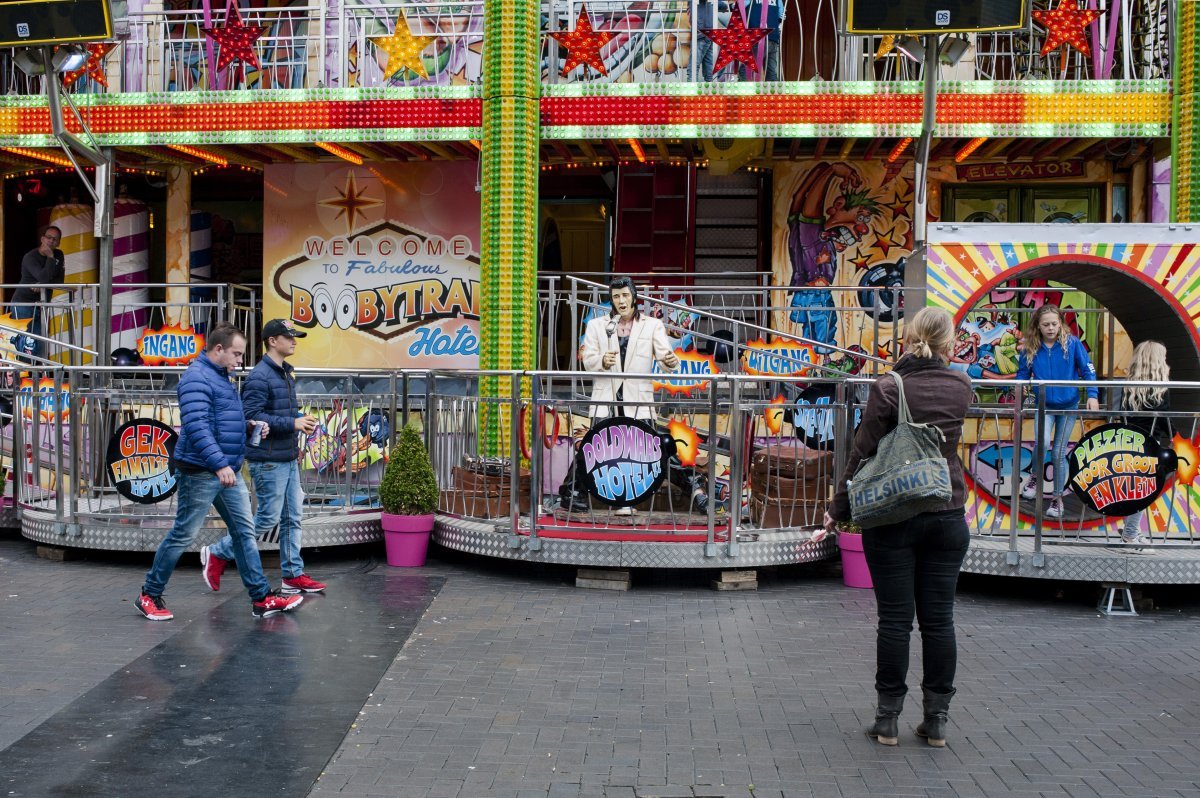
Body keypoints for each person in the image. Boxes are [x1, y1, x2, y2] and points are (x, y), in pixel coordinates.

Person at [822, 306, 974, 748]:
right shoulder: (962, 385)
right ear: (948, 342)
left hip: (893, 518)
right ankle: (937, 721)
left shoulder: (889, 386)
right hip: (947, 513)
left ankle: (887, 719)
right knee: (939, 622)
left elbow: (862, 451)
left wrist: (838, 506)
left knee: (894, 621)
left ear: (908, 338)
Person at [136, 322, 303, 621]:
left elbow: (221, 420)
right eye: (236, 354)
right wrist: (220, 464)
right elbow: (198, 427)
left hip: (224, 469)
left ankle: (261, 597)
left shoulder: (220, 377)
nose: (240, 360)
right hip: (203, 471)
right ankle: (149, 593)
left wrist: (249, 426)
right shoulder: (197, 379)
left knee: (244, 533)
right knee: (183, 533)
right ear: (218, 349)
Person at [200, 319, 325, 595]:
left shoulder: (282, 372)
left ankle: (293, 574)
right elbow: (251, 417)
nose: (294, 341)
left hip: (286, 456)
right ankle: (218, 552)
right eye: (288, 337)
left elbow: (274, 412)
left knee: (293, 518)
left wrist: (297, 418)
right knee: (268, 519)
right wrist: (293, 423)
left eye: (294, 337)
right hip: (268, 459)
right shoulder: (260, 375)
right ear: (272, 341)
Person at [558, 277, 679, 514]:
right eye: (616, 296)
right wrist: (601, 361)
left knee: (646, 448)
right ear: (611, 299)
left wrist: (669, 361)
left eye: (625, 295)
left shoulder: (652, 325)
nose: (621, 300)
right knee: (595, 446)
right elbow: (588, 360)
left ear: (634, 296)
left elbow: (666, 359)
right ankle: (571, 492)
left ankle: (627, 499)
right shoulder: (597, 325)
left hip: (638, 398)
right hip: (607, 394)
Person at [1015, 304, 1099, 519]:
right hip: (1043, 405)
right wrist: (1019, 391)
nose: (1051, 328)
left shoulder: (1072, 344)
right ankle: (1035, 476)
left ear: (1061, 324)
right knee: (1042, 443)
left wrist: (1092, 394)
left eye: (1054, 324)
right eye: (1046, 325)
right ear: (1038, 326)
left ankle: (1057, 499)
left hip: (1068, 405)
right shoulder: (1030, 347)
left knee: (1059, 452)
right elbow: (1022, 374)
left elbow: (1088, 368)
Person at [1117, 340, 1171, 550]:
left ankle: (1132, 528)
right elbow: (1165, 417)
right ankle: (1131, 534)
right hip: (1150, 443)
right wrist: (1176, 436)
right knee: (1144, 489)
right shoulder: (1162, 388)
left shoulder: (1129, 385)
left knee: (1134, 487)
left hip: (1129, 440)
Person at [12, 225, 65, 359]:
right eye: (48, 237)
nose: (51, 241)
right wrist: (50, 257)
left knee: (39, 344)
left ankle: (34, 377)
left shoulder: (59, 254)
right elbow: (43, 277)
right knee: (24, 343)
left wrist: (42, 285)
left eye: (55, 239)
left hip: (41, 305)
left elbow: (59, 282)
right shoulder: (30, 257)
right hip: (23, 304)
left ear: (58, 242)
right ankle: (21, 376)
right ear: (42, 238)